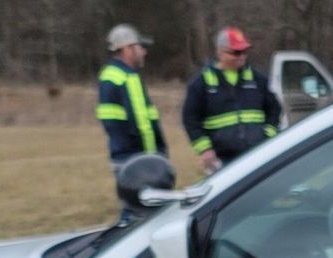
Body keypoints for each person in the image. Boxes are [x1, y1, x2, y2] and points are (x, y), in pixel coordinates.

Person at [182, 27, 283, 174]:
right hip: (222, 159)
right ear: (220, 52)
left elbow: (274, 109)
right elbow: (190, 119)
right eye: (236, 52)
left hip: (258, 154)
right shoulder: (201, 83)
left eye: (244, 51)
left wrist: (268, 135)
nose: (242, 56)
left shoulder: (258, 79)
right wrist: (205, 150)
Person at [96, 24, 166, 224]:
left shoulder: (108, 74)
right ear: (127, 49)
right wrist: (154, 158)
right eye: (140, 47)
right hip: (138, 160)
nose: (144, 52)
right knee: (140, 219)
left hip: (121, 156)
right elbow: (142, 124)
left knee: (130, 213)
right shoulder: (128, 77)